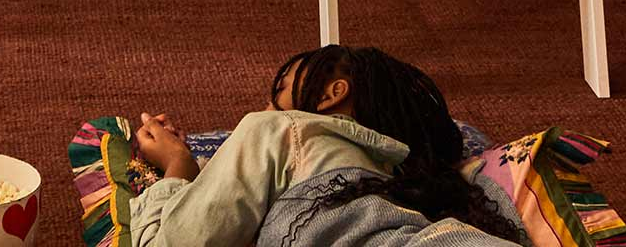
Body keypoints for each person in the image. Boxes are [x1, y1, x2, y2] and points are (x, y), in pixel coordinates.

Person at [130, 45, 523, 247]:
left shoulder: (282, 130)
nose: (265, 109)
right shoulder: (420, 184)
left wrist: (177, 164)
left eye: (278, 93)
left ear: (331, 95)